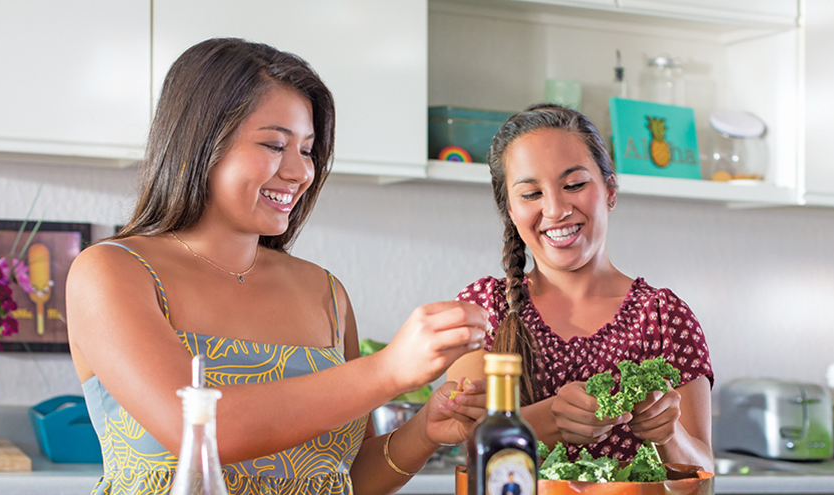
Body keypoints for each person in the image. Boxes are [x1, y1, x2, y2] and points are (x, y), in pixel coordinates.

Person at [67, 38, 488, 495]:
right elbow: (200, 431)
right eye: (274, 144)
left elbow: (343, 479)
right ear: (197, 142)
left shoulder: (324, 292)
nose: (300, 171)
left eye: (307, 150)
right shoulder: (111, 272)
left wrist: (423, 430)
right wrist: (389, 371)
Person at [447, 104, 714, 470]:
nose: (555, 209)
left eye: (573, 185)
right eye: (531, 194)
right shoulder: (481, 311)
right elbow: (470, 450)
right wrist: (548, 419)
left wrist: (671, 436)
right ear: (509, 209)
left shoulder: (664, 317)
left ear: (610, 190)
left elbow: (704, 471)